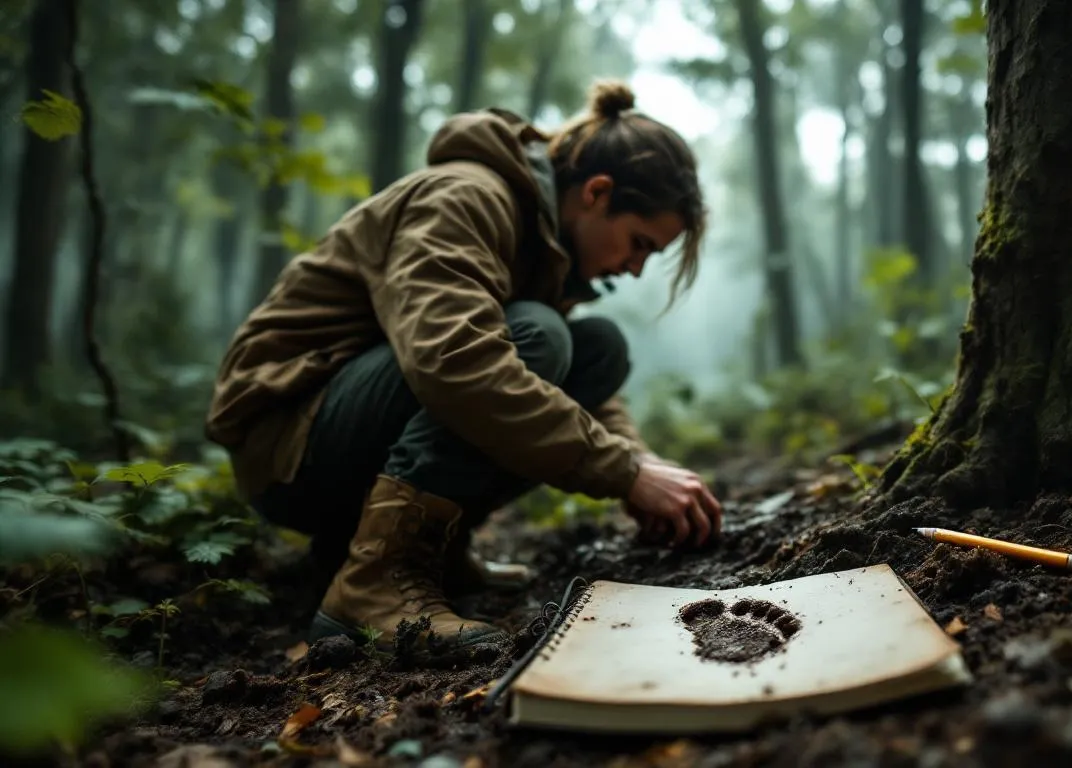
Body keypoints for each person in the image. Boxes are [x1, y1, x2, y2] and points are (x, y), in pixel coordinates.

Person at [204, 80, 724, 654]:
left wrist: (640, 464)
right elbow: (456, 364)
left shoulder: (542, 246)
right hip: (286, 445)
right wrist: (623, 470)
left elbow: (581, 398)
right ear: (597, 193)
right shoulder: (466, 197)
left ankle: (427, 551)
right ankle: (374, 582)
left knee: (596, 347)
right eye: (639, 243)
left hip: (341, 435)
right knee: (539, 337)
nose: (633, 268)